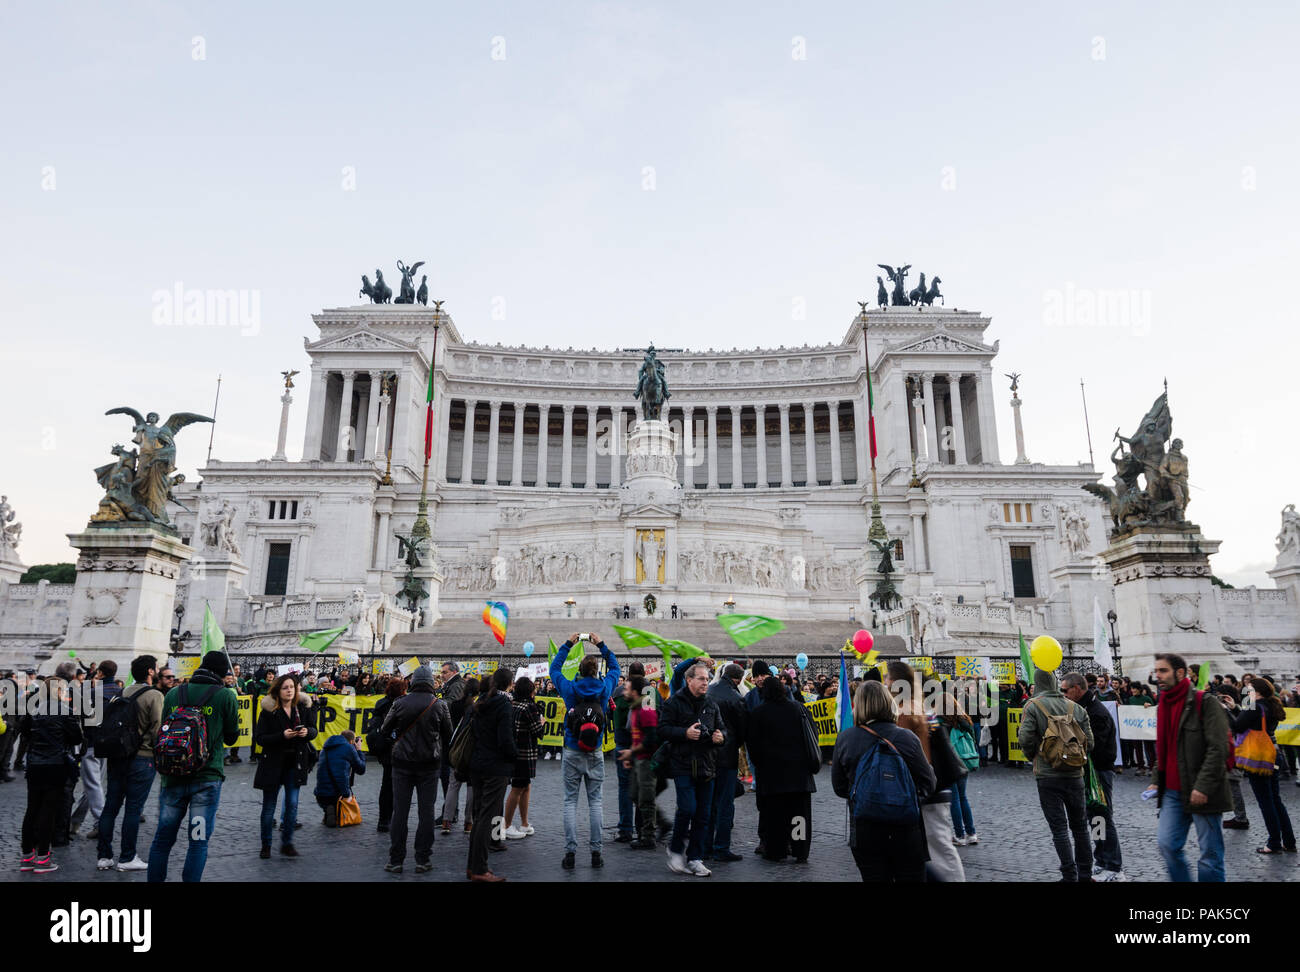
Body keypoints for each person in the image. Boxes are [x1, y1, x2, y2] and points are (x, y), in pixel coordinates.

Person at [146, 650, 240, 883]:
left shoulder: (174, 693)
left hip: (173, 777)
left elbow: (163, 731)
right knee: (198, 842)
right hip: (206, 779)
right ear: (221, 673)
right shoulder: (226, 695)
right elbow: (231, 738)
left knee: (162, 840)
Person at [832, 681, 935, 882]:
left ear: (858, 705)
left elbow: (839, 787)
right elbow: (928, 783)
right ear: (889, 703)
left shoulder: (845, 739)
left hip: (865, 828)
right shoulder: (907, 738)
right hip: (905, 827)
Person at [1144, 653, 1231, 883]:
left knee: (1210, 855)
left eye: (1163, 671)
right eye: (1156, 671)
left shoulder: (1206, 702)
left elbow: (1219, 748)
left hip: (1202, 790)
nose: (1157, 676)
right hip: (1172, 791)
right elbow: (1164, 748)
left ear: (1180, 673)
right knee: (1167, 845)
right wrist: (1155, 778)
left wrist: (1202, 786)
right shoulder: (1163, 703)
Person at [1017, 665, 1095, 882]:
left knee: (1059, 829)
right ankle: (1086, 874)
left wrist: (1034, 755)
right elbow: (1090, 742)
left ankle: (1069, 875)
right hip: (1074, 775)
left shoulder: (1032, 706)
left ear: (1037, 683)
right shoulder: (1076, 708)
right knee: (1080, 827)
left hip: (1047, 774)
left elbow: (1024, 739)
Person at [550, 632, 621, 870]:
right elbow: (615, 667)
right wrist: (601, 644)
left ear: (579, 670)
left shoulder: (570, 689)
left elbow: (554, 669)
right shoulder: (605, 688)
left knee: (570, 802)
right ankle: (596, 853)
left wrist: (568, 644)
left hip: (571, 748)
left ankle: (570, 853)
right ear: (595, 671)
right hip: (595, 750)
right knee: (596, 802)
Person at [95, 654, 163, 872]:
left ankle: (104, 857)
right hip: (142, 757)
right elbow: (157, 729)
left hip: (118, 755)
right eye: (156, 667)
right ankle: (127, 857)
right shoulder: (154, 695)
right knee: (133, 809)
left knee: (111, 806)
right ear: (151, 672)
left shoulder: (123, 691)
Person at [380, 665, 452, 874]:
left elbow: (385, 729)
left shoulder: (400, 702)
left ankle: (396, 860)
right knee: (426, 812)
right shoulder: (440, 705)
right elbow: (449, 735)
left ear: (412, 682)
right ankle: (423, 858)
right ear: (431, 683)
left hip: (402, 763)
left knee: (400, 812)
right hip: (429, 764)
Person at [658, 660, 726, 876]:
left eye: (707, 679)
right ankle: (676, 849)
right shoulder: (674, 703)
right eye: (701, 678)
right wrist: (684, 733)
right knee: (687, 808)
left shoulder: (711, 704)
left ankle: (695, 858)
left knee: (704, 814)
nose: (706, 682)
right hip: (683, 763)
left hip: (707, 764)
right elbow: (662, 729)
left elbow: (723, 728)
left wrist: (721, 736)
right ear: (689, 680)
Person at [746, 672, 816, 864]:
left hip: (772, 775)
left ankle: (776, 850)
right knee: (799, 815)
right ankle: (800, 850)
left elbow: (753, 746)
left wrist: (761, 766)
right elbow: (813, 737)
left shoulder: (759, 713)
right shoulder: (799, 709)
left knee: (774, 816)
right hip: (799, 775)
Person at [1061, 671, 1124, 881]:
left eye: (1065, 690)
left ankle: (1114, 866)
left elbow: (1096, 746)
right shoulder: (1084, 708)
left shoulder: (1095, 712)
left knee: (1103, 816)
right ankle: (1102, 860)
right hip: (1089, 771)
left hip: (1099, 772)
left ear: (1077, 689)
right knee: (1095, 818)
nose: (1063, 694)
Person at [18, 676, 82, 874]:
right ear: (60, 692)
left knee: (32, 810)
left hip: (35, 765)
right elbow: (77, 738)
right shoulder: (67, 712)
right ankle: (43, 858)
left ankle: (27, 855)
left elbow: (24, 732)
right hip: (55, 766)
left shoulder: (33, 710)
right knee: (48, 811)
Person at [253, 674, 317, 859]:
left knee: (292, 804)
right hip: (273, 763)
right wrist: (282, 736)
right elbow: (260, 738)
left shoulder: (303, 708)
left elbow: (314, 730)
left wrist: (307, 732)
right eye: (285, 687)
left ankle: (287, 843)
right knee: (269, 807)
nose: (290, 690)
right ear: (278, 691)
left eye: (292, 687)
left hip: (295, 763)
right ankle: (266, 844)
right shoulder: (269, 711)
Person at [1231, 677, 1295, 854]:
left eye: (1249, 688)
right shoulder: (1270, 705)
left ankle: (1274, 842)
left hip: (1259, 757)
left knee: (1265, 801)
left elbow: (1237, 725)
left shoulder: (1255, 706)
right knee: (1275, 799)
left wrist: (1227, 711)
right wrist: (1236, 708)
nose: (1246, 690)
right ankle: (1289, 841)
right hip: (1274, 755)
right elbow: (1247, 719)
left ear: (1257, 691)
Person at [466, 668, 518, 882]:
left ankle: (473, 866)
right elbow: (505, 739)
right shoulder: (503, 705)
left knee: (480, 817)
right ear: (509, 684)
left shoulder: (480, 703)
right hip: (495, 767)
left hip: (477, 764)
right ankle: (479, 868)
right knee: (487, 817)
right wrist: (514, 756)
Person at [70, 660, 122, 841]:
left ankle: (101, 823)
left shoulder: (91, 693)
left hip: (92, 743)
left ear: (99, 673)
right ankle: (74, 821)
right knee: (94, 784)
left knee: (93, 784)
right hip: (112, 744)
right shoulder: (121, 692)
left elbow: (82, 719)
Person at [705, 662, 747, 862]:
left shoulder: (708, 691)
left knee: (708, 802)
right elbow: (741, 731)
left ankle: (705, 846)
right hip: (727, 755)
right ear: (738, 679)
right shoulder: (736, 698)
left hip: (707, 754)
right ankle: (721, 847)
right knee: (725, 804)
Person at [616, 675, 662, 850]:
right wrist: (631, 756)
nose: (623, 691)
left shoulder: (646, 710)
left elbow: (651, 738)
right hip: (638, 759)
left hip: (647, 760)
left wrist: (632, 752)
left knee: (646, 798)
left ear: (634, 692)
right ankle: (659, 824)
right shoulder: (634, 709)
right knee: (636, 795)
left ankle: (649, 836)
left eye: (626, 688)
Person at [503, 675, 543, 840]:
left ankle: (524, 823)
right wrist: (543, 722)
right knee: (518, 787)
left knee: (525, 785)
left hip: (514, 751)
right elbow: (538, 732)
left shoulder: (512, 704)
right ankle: (506, 825)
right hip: (525, 752)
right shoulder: (529, 707)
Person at [938, 688, 979, 847]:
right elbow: (973, 740)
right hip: (965, 761)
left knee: (954, 799)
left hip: (949, 763)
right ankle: (971, 833)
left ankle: (959, 835)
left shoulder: (940, 723)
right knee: (963, 797)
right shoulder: (965, 721)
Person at [438, 663, 471, 833]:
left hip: (452, 736)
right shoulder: (452, 684)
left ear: (454, 672)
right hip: (449, 734)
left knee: (450, 777)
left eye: (445, 672)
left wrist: (436, 702)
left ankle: (451, 814)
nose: (442, 675)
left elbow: (450, 706)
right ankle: (451, 813)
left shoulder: (457, 685)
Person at [370, 678, 406, 833]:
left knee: (386, 785)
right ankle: (394, 819)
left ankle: (383, 820)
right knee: (399, 787)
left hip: (385, 749)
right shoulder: (403, 704)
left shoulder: (381, 703)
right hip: (398, 748)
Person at [314, 729, 366, 826]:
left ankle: (329, 810)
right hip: (337, 794)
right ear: (351, 741)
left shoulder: (325, 747)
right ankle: (335, 810)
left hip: (320, 793)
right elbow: (361, 769)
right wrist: (358, 750)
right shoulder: (348, 748)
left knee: (331, 779)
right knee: (346, 799)